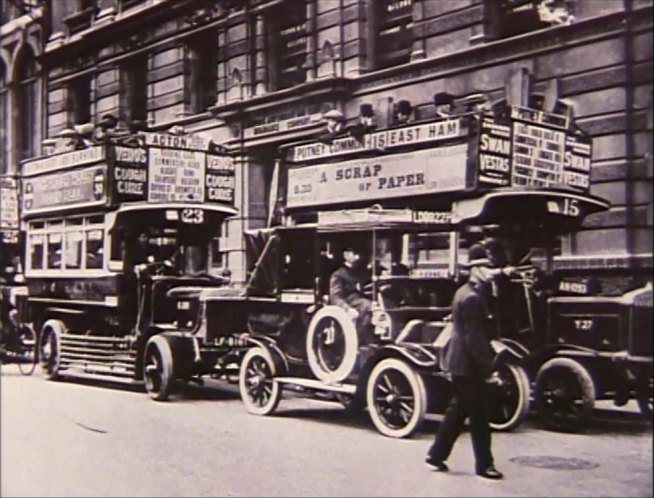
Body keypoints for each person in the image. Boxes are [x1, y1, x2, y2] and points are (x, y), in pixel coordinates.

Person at [425, 243, 504, 480]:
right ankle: (484, 465)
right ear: (475, 270)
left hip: (459, 363)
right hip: (469, 365)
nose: (490, 273)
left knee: (458, 411)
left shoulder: (465, 292)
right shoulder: (471, 298)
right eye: (486, 268)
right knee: (479, 416)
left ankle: (435, 456)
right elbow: (475, 339)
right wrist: (488, 368)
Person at [329, 245, 373, 344]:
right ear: (346, 255)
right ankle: (356, 341)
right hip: (350, 303)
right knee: (366, 306)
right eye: (355, 254)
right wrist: (347, 309)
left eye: (359, 254)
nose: (358, 257)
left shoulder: (363, 272)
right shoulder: (338, 274)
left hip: (363, 301)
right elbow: (335, 297)